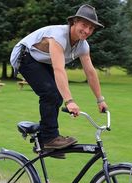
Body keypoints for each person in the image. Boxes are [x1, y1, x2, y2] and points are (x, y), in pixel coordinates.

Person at [10, 4, 108, 155]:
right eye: (84, 25)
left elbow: (90, 72)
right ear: (74, 22)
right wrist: (70, 101)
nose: (87, 31)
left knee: (56, 95)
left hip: (42, 61)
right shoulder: (58, 36)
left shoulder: (83, 45)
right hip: (25, 56)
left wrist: (100, 99)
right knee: (50, 93)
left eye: (91, 28)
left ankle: (47, 140)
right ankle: (49, 139)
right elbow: (59, 70)